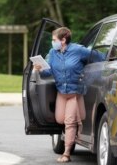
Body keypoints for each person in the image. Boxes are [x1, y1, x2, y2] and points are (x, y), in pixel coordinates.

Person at [34, 27, 91, 163]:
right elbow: (48, 72)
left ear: (63, 40)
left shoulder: (78, 50)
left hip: (74, 92)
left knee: (69, 123)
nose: (52, 42)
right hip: (62, 92)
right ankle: (78, 123)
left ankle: (66, 153)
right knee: (60, 119)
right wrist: (40, 69)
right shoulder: (53, 53)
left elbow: (98, 57)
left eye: (54, 40)